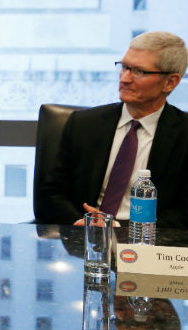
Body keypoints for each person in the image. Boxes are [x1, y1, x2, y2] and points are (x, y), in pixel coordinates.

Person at [39, 31, 188, 228]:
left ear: (170, 82)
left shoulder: (183, 133)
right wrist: (81, 223)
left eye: (139, 71)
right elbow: (51, 193)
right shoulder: (83, 124)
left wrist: (123, 230)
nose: (125, 79)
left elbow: (184, 212)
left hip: (151, 244)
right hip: (84, 237)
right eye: (124, 67)